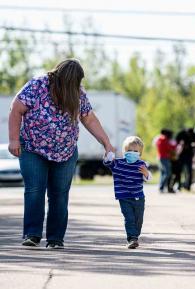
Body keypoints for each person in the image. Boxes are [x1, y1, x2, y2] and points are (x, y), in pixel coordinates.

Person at [8, 59, 114, 249]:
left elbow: (89, 118)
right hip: (33, 148)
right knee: (35, 190)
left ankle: (55, 239)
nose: (75, 87)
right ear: (58, 77)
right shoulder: (38, 85)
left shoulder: (78, 93)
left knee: (59, 195)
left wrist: (107, 143)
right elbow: (16, 109)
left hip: (65, 151)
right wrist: (14, 139)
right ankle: (32, 234)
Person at [103, 136, 152, 249]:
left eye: (135, 151)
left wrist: (146, 173)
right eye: (129, 150)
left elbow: (148, 179)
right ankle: (132, 238)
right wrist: (108, 156)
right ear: (124, 151)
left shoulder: (142, 164)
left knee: (138, 219)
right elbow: (108, 163)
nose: (132, 153)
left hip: (139, 197)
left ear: (140, 153)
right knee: (129, 218)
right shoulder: (118, 163)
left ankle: (135, 234)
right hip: (124, 197)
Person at [154, 129, 175, 193]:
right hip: (164, 157)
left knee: (162, 173)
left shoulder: (158, 139)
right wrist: (173, 148)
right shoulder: (164, 139)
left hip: (160, 157)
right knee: (167, 173)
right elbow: (169, 148)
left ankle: (161, 187)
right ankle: (161, 187)